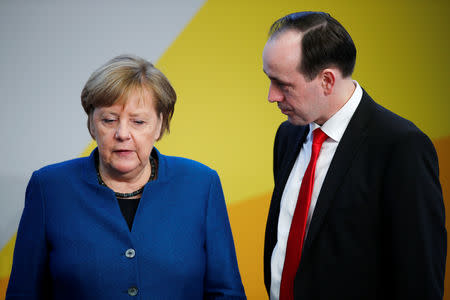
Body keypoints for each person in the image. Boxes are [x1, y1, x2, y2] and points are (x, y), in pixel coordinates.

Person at [7, 54, 246, 299]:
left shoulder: (201, 185)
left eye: (138, 121)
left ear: (160, 125)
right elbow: (23, 293)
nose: (122, 133)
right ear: (91, 124)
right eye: (109, 120)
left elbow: (226, 293)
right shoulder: (49, 188)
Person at [262, 12, 446, 300]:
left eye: (283, 84)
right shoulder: (288, 136)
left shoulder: (401, 147)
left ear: (326, 81)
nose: (272, 96)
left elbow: (418, 277)